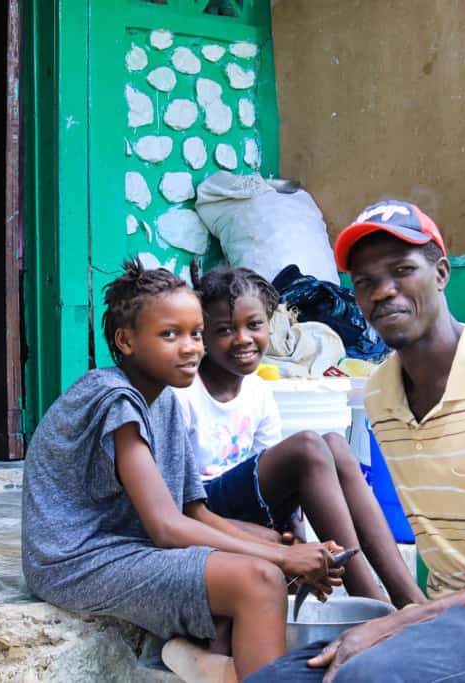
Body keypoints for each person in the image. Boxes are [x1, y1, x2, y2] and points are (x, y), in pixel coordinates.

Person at [247, 200, 465, 683]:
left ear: (440, 273)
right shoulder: (381, 393)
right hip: (447, 622)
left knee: (369, 679)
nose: (384, 291)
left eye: (401, 270)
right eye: (366, 282)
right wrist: (400, 612)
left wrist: (409, 619)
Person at [21, 260, 343, 681]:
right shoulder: (116, 398)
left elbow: (196, 512)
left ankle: (196, 655)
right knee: (260, 577)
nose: (190, 347)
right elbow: (168, 529)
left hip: (126, 547)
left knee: (259, 539)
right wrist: (282, 559)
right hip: (75, 560)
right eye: (169, 335)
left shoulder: (168, 399)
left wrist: (282, 548)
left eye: (195, 333)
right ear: (126, 340)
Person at [174, 264, 424, 609]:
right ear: (201, 335)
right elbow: (182, 506)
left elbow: (285, 490)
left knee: (335, 444)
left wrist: (297, 544)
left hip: (248, 506)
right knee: (307, 445)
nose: (243, 338)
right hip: (206, 510)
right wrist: (282, 551)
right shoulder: (183, 395)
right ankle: (372, 602)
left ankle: (409, 599)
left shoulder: (258, 391)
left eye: (255, 325)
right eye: (224, 329)